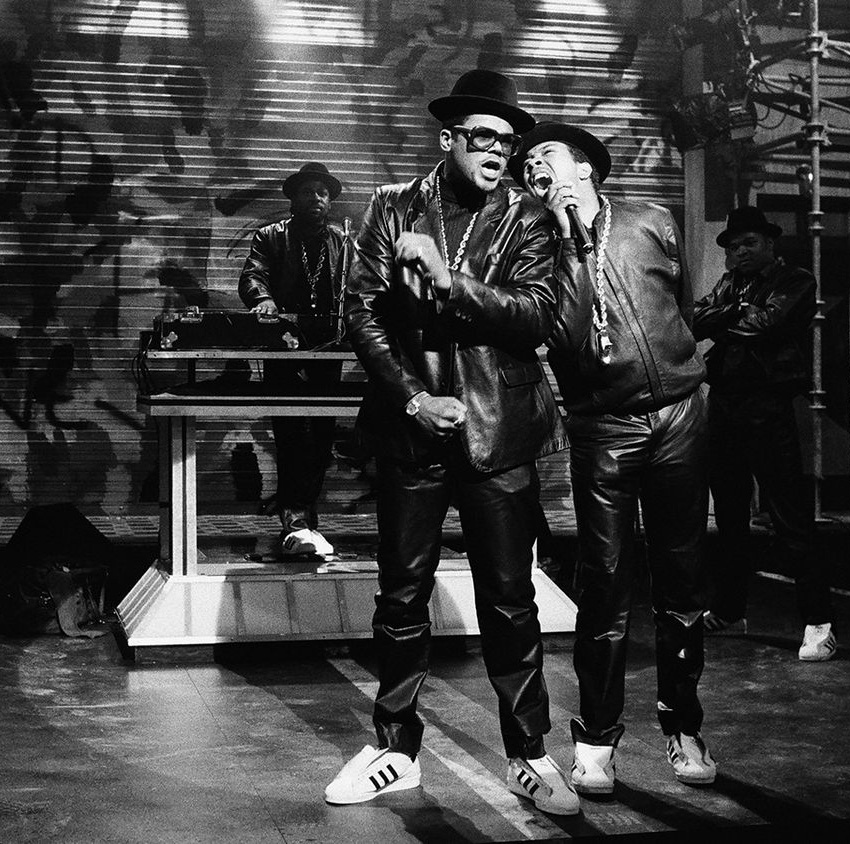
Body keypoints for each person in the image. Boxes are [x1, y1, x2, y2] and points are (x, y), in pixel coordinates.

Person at [326, 70, 579, 816]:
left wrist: (450, 280)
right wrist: (412, 397)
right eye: (483, 138)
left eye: (509, 142)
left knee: (509, 599)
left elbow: (536, 316)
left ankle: (528, 752)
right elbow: (361, 311)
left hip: (498, 429)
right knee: (401, 595)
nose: (499, 151)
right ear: (449, 139)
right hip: (412, 429)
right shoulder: (392, 205)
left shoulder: (527, 216)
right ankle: (395, 749)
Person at [509, 122, 716, 795]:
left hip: (679, 417)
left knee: (683, 583)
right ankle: (596, 739)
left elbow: (681, 309)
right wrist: (569, 238)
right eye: (526, 168)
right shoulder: (535, 243)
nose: (533, 170)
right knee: (603, 585)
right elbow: (566, 333)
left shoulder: (650, 220)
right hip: (603, 427)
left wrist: (681, 379)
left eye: (545, 157)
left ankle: (683, 726)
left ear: (586, 168)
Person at [691, 206, 836, 662]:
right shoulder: (731, 285)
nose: (739, 252)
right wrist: (736, 310)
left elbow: (767, 325)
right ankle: (730, 609)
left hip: (768, 408)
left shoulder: (796, 279)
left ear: (770, 244)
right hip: (726, 407)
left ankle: (819, 623)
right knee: (729, 517)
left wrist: (725, 317)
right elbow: (693, 321)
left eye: (749, 243)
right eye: (733, 246)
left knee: (790, 517)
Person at [238, 162, 346, 557]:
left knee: (320, 434)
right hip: (283, 344)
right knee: (290, 430)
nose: (316, 198)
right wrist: (263, 299)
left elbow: (359, 287)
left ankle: (302, 516)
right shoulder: (270, 236)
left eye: (323, 193)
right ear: (293, 199)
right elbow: (252, 276)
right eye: (308, 191)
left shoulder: (343, 242)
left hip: (328, 345)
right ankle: (296, 518)